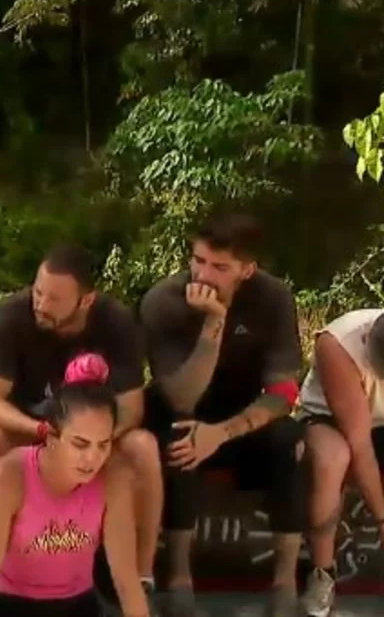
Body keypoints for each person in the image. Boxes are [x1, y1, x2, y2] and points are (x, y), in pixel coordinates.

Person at [0, 244, 162, 593]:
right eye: (38, 292)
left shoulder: (116, 322)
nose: (41, 304)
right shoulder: (11, 315)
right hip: (30, 427)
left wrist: (93, 442)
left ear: (86, 301)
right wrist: (43, 430)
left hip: (93, 435)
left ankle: (141, 575)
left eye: (54, 299)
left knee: (143, 447)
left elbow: (132, 408)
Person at [140, 213, 305, 617]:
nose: (203, 275)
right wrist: (214, 321)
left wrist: (224, 432)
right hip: (180, 410)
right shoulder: (164, 300)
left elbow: (283, 393)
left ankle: (285, 582)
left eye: (220, 267)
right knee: (181, 436)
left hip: (241, 415)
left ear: (247, 269)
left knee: (289, 439)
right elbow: (182, 396)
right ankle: (179, 579)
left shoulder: (273, 298)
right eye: (198, 260)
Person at [0, 353, 149, 617]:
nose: (92, 458)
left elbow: (126, 580)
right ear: (51, 435)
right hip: (9, 604)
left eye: (103, 445)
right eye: (80, 444)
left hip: (76, 603)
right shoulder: (8, 479)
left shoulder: (112, 480)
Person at [296, 309, 384, 617]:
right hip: (329, 418)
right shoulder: (338, 344)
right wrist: (383, 520)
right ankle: (322, 575)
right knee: (332, 459)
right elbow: (360, 443)